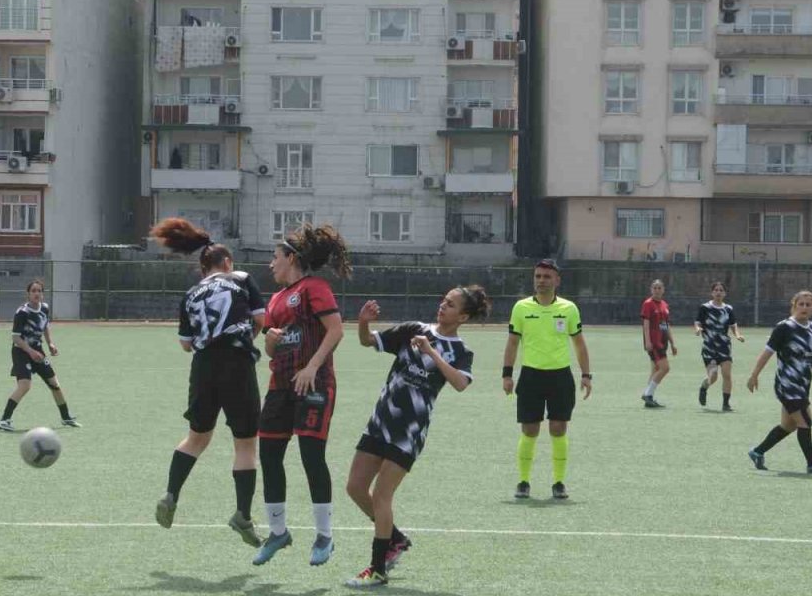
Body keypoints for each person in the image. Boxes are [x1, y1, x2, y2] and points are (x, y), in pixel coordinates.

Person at [343, 287, 489, 589]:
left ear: (462, 316)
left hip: (409, 432)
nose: (442, 306)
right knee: (355, 487)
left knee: (382, 496)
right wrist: (363, 322)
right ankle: (395, 538)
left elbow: (461, 383)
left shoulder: (461, 351)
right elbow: (368, 341)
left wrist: (431, 351)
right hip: (380, 421)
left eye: (450, 305)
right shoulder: (413, 330)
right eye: (443, 301)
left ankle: (378, 568)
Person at [149, 218, 267, 547]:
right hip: (236, 362)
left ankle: (171, 494)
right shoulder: (241, 279)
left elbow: (186, 344)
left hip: (202, 367)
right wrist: (245, 336)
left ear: (204, 269)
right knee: (245, 443)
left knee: (196, 437)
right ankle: (242, 514)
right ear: (227, 262)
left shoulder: (190, 294)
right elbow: (260, 319)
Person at [253, 224, 352, 567]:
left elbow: (336, 329)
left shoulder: (314, 287)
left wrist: (311, 367)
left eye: (275, 257)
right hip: (279, 388)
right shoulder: (277, 299)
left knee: (312, 457)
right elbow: (270, 348)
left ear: (291, 257)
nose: (271, 264)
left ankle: (324, 535)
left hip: (314, 384)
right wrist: (271, 340)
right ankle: (278, 532)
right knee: (268, 456)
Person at [502, 259, 592, 500]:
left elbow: (579, 344)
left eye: (546, 277)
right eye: (538, 276)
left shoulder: (569, 308)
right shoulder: (521, 308)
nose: (541, 280)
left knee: (558, 427)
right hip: (530, 376)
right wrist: (507, 374)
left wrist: (586, 374)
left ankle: (559, 482)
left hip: (560, 376)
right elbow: (512, 343)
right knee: (530, 430)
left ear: (557, 281)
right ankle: (523, 481)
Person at [746, 290, 812, 474]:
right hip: (787, 386)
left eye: (808, 304)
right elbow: (767, 353)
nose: (804, 307)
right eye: (801, 304)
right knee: (805, 423)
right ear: (794, 305)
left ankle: (757, 451)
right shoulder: (784, 327)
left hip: (802, 387)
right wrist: (754, 375)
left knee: (789, 425)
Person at [0, 279, 79, 431]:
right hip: (21, 351)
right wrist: (31, 352)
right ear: (28, 294)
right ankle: (4, 420)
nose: (36, 293)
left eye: (39, 291)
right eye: (33, 291)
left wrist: (50, 344)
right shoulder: (22, 312)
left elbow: (45, 326)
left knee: (55, 384)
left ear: (42, 294)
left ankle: (66, 417)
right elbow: (16, 337)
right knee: (25, 385)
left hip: (37, 351)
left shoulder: (45, 308)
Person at [694, 282, 745, 412]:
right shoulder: (705, 307)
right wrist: (698, 329)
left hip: (724, 346)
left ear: (724, 293)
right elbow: (698, 322)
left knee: (727, 374)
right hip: (709, 346)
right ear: (712, 293)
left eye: (721, 290)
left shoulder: (728, 309)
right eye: (716, 290)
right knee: (713, 376)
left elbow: (733, 325)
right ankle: (704, 387)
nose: (718, 292)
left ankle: (726, 404)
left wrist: (738, 335)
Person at [640, 280, 677, 408]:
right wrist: (648, 341)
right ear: (651, 289)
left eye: (659, 288)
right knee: (665, 368)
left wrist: (672, 343)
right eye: (655, 288)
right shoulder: (648, 304)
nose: (657, 290)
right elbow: (646, 324)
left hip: (662, 342)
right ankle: (647, 394)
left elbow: (665, 325)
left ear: (663, 290)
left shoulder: (664, 305)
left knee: (656, 369)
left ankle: (648, 397)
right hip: (654, 343)